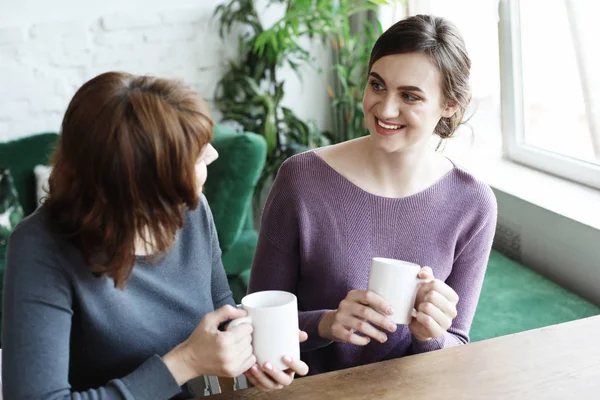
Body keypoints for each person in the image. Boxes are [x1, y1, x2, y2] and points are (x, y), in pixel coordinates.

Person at [1, 72, 307, 399]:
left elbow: (220, 308)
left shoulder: (190, 210)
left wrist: (250, 354)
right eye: (198, 153)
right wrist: (186, 362)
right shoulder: (40, 247)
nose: (213, 156)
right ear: (145, 182)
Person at [248, 14, 498, 375]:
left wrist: (430, 334)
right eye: (377, 85)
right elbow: (257, 324)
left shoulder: (473, 204)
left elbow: (455, 343)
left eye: (409, 96)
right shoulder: (301, 179)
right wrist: (326, 323)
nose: (385, 109)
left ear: (450, 104)